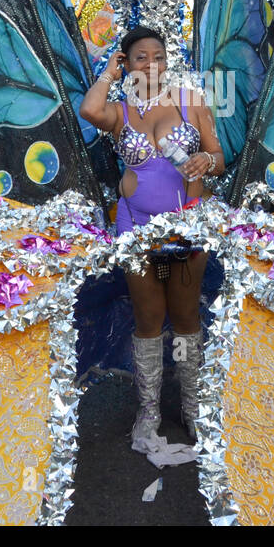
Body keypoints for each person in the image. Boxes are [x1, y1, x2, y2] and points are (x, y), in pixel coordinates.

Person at [79, 26, 223, 459]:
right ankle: (148, 411)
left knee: (183, 316)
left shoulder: (190, 101)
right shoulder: (120, 112)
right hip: (135, 227)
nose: (152, 63)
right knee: (148, 317)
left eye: (158, 55)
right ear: (127, 62)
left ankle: (193, 404)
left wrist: (206, 161)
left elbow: (218, 157)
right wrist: (108, 70)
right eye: (140, 56)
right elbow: (89, 109)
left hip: (186, 228)